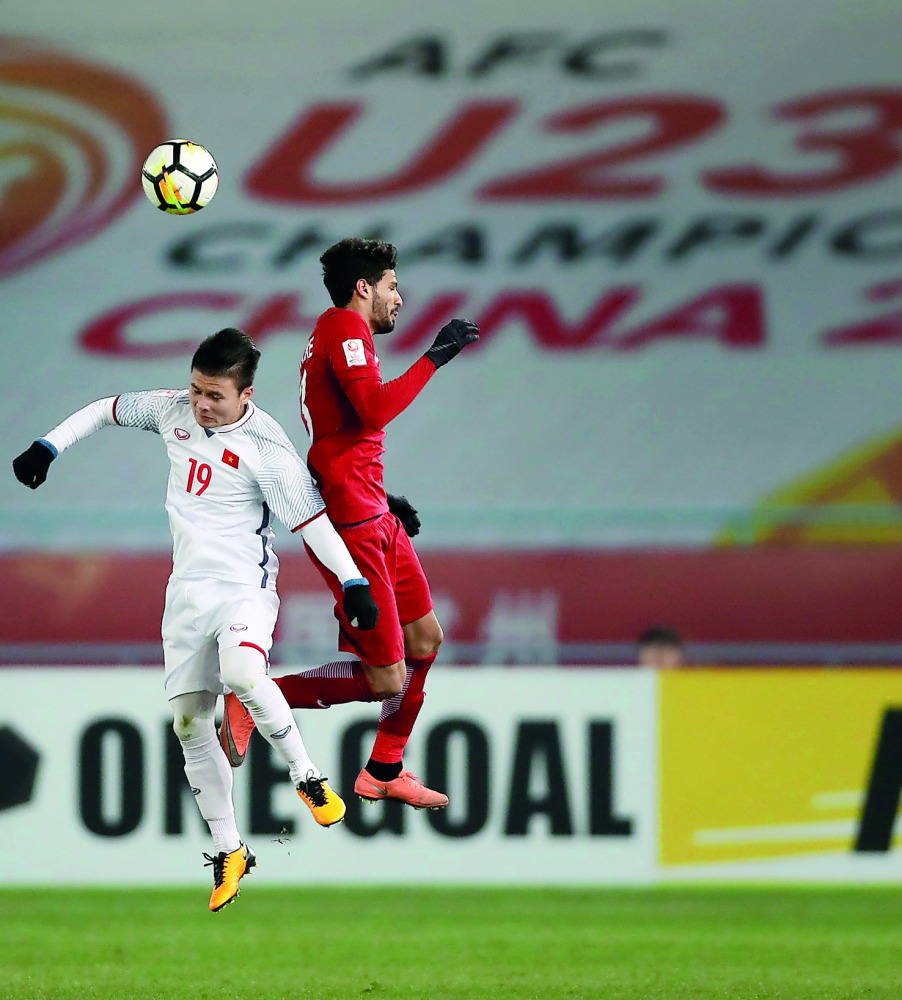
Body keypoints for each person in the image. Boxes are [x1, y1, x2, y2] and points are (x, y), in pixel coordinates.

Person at [12, 327, 379, 912]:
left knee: (243, 673)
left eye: (214, 395)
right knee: (188, 724)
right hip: (185, 592)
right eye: (196, 390)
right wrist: (47, 446)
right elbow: (104, 410)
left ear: (246, 394)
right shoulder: (171, 411)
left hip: (243, 589)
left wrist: (354, 581)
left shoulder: (268, 448)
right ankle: (230, 849)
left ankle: (307, 777)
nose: (201, 405)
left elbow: (310, 523)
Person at [218, 237, 479, 809]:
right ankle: (256, 698)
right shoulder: (342, 327)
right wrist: (436, 356)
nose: (399, 298)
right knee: (386, 678)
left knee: (426, 638)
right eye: (392, 286)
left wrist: (383, 496)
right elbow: (374, 410)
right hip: (353, 525)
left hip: (370, 509)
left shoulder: (338, 334)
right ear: (364, 287)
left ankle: (384, 767)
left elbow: (344, 435)